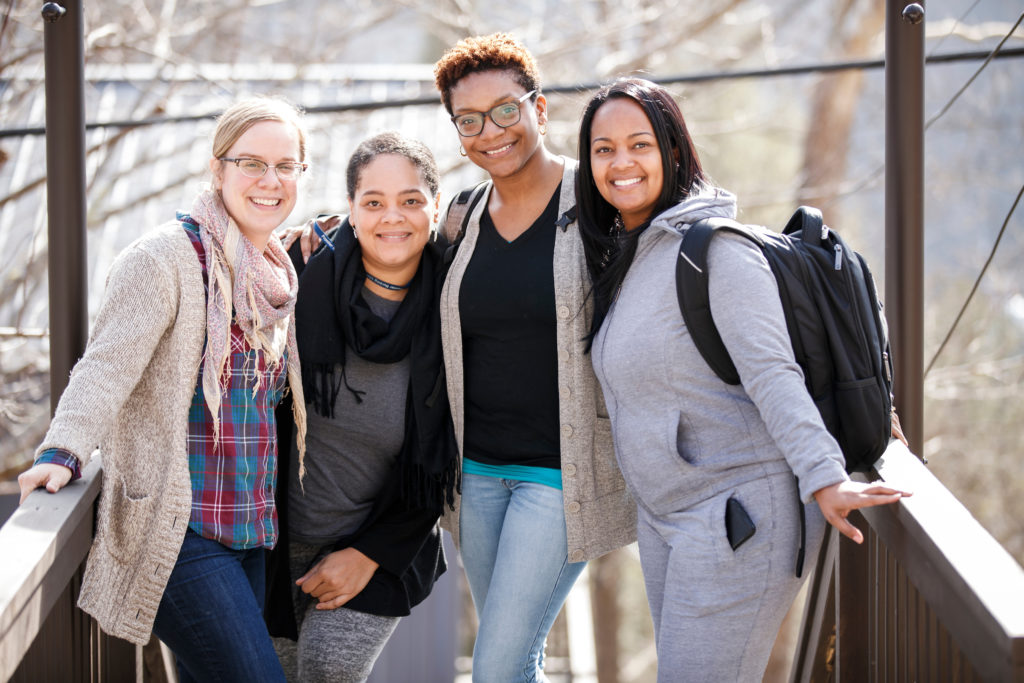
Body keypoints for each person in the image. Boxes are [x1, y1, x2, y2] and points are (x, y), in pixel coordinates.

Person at [575, 77, 911, 682]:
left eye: (639, 144)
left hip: (737, 516)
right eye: (603, 149)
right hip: (667, 517)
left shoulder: (718, 252)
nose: (621, 162)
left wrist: (824, 477)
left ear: (674, 151)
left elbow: (773, 374)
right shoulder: (626, 258)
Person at [17, 97, 309, 682]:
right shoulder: (164, 259)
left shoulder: (273, 269)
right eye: (252, 163)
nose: (270, 180)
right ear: (217, 169)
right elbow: (104, 366)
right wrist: (62, 450)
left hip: (250, 529)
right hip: (180, 535)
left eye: (286, 166)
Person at [433, 33, 636, 682]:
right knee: (513, 657)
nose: (490, 131)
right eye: (469, 120)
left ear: (539, 110)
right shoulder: (461, 218)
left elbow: (698, 282)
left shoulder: (601, 204)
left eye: (505, 110)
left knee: (495, 666)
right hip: (477, 477)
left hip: (560, 477)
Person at [264, 132, 458, 682]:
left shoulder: (456, 307)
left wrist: (369, 554)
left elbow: (447, 454)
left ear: (435, 207)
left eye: (411, 201)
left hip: (381, 540)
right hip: (268, 540)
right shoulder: (296, 277)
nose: (391, 217)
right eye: (373, 202)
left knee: (329, 669)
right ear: (349, 209)